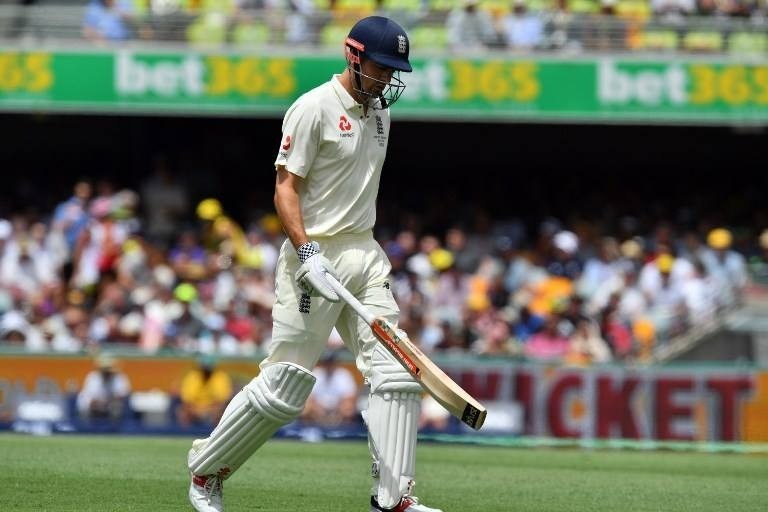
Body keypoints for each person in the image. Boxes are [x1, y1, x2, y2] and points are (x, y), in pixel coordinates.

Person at [186, 16, 444, 512]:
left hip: (365, 253)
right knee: (287, 382)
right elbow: (286, 187)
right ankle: (206, 471)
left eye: (395, 71)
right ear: (353, 56)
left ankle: (395, 500)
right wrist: (306, 252)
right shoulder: (313, 109)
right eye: (381, 67)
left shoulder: (381, 114)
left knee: (395, 370)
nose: (389, 79)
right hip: (314, 254)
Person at [177, 355, 234, 428]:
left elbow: (221, 401)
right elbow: (187, 400)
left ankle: (216, 435)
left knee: (219, 412)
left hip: (213, 410)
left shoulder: (220, 377)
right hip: (194, 409)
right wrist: (197, 410)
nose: (206, 371)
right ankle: (184, 434)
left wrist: (207, 410)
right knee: (182, 412)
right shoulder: (193, 377)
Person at [76, 353, 131, 422]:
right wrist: (100, 404)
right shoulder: (92, 378)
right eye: (105, 369)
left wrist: (110, 402)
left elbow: (123, 396)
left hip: (113, 411)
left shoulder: (119, 378)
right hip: (94, 411)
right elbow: (89, 400)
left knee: (116, 408)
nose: (107, 372)